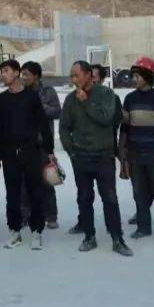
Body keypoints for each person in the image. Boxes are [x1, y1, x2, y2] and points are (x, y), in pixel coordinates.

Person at [59, 60, 132, 256]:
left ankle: (117, 238)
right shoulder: (70, 99)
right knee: (84, 197)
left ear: (88, 75)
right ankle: (89, 236)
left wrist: (87, 102)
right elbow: (64, 127)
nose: (73, 79)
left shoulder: (106, 94)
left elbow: (106, 119)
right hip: (81, 157)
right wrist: (71, 151)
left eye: (76, 75)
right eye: (72, 76)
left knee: (110, 197)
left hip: (103, 156)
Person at [0, 59, 54, 250]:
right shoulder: (2, 99)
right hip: (9, 155)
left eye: (6, 71)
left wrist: (50, 151)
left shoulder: (31, 96)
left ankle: (37, 231)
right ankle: (15, 231)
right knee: (12, 194)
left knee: (35, 191)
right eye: (2, 71)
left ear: (16, 72)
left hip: (31, 152)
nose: (3, 74)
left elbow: (43, 124)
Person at [119, 56, 154, 242]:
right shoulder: (130, 99)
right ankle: (143, 228)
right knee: (139, 194)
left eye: (138, 76)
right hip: (135, 154)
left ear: (148, 76)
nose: (135, 79)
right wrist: (124, 152)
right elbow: (125, 127)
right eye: (134, 76)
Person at [20, 61, 61, 230]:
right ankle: (25, 215)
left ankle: (50, 216)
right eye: (22, 74)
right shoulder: (20, 92)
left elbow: (57, 111)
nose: (23, 78)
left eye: (26, 74)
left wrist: (38, 106)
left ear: (36, 76)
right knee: (24, 182)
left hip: (43, 144)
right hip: (24, 144)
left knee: (47, 180)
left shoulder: (48, 91)